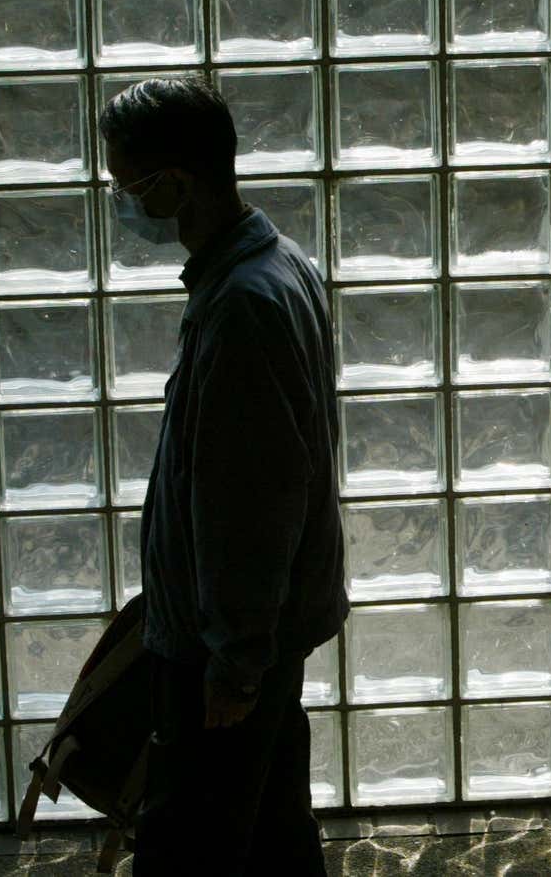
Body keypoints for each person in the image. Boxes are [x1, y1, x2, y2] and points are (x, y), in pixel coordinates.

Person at [101, 78, 345, 876]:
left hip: (224, 647)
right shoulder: (274, 265)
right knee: (272, 828)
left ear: (175, 183)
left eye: (128, 188)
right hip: (248, 631)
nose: (124, 207)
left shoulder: (242, 303)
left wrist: (234, 663)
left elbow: (252, 501)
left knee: (187, 846)